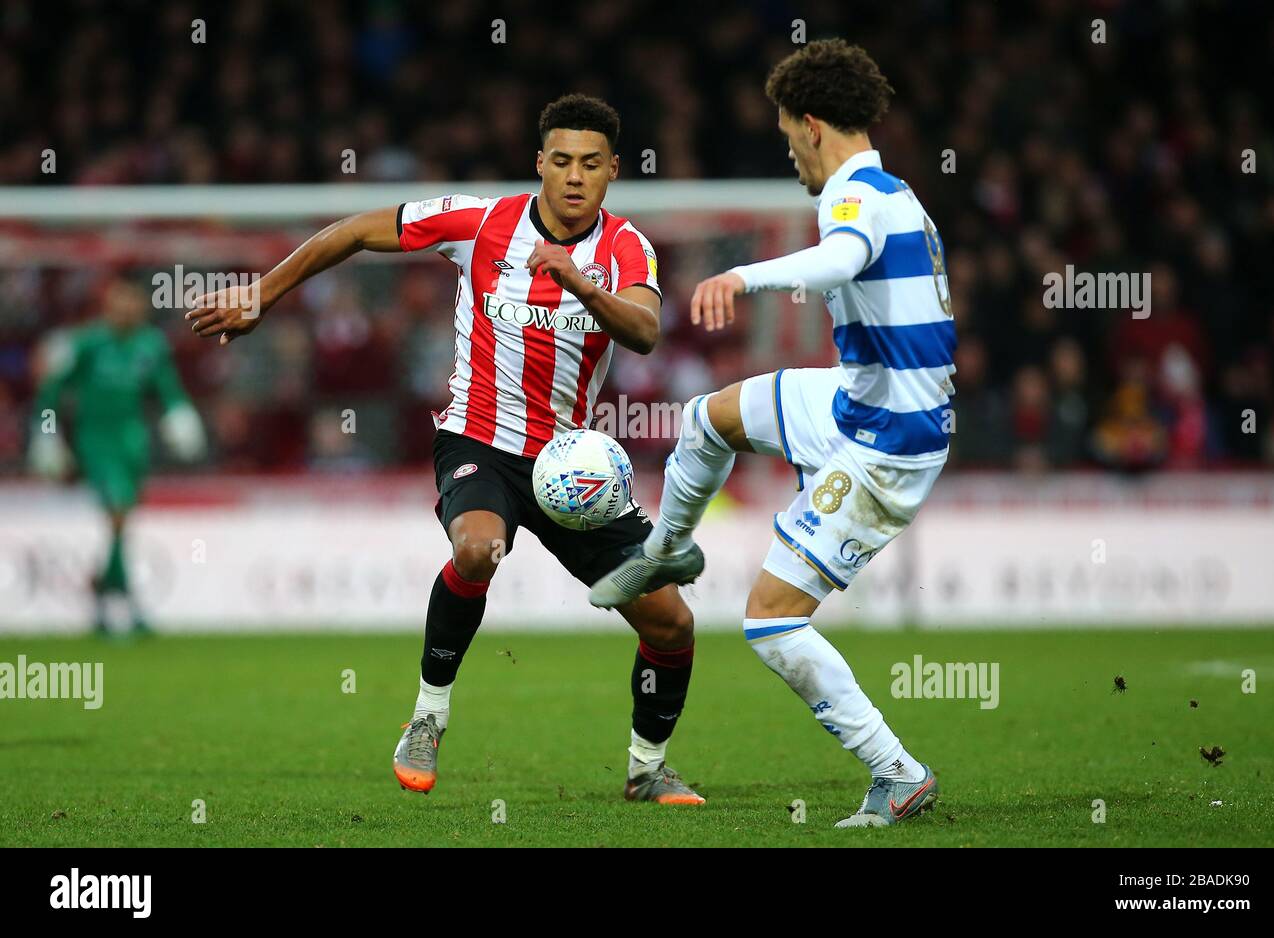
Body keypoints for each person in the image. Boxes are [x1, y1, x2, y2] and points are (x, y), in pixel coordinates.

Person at [184, 94, 704, 806]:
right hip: (479, 442)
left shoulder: (623, 249)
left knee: (672, 623)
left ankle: (647, 768)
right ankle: (427, 719)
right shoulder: (483, 221)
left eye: (590, 164)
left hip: (571, 468)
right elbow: (360, 230)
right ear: (539, 164)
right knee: (477, 549)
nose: (574, 177)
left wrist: (577, 281)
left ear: (613, 170)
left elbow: (645, 330)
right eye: (560, 161)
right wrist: (265, 292)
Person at [591, 41, 954, 827]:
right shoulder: (900, 194)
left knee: (772, 618)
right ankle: (666, 553)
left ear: (814, 126)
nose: (790, 155)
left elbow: (843, 258)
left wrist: (742, 277)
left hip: (888, 440)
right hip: (862, 403)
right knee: (708, 417)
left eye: (790, 137)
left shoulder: (853, 198)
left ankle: (897, 774)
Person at [29, 274, 206, 634]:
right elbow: (51, 392)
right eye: (120, 300)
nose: (127, 308)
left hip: (133, 439)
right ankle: (128, 604)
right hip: (96, 439)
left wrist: (180, 413)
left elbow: (168, 386)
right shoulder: (86, 343)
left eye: (133, 301)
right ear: (108, 304)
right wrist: (46, 436)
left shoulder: (151, 345)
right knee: (118, 512)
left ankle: (105, 598)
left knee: (121, 523)